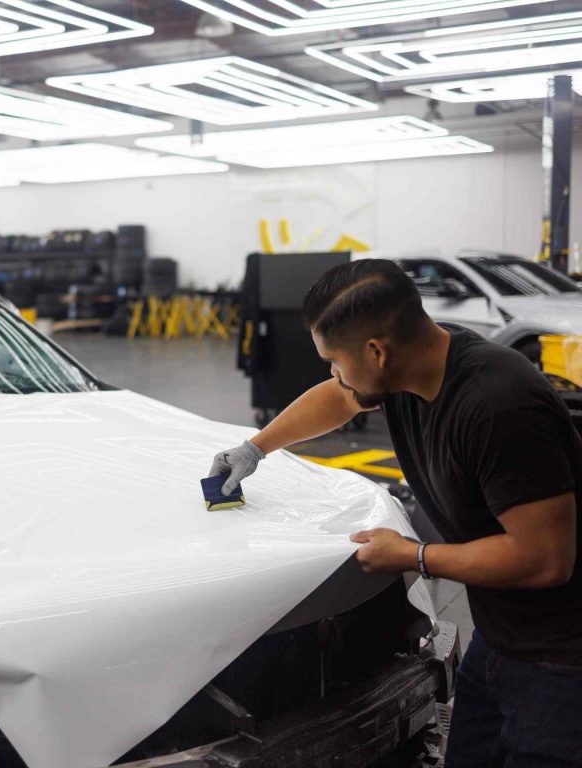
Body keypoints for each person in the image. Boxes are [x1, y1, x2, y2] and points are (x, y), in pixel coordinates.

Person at [209, 259, 582, 766]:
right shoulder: (417, 363)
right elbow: (340, 399)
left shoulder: (500, 407)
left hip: (561, 661)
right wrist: (255, 449)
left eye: (335, 360)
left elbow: (543, 559)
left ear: (377, 352)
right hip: (498, 637)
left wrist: (413, 555)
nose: (333, 374)